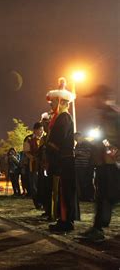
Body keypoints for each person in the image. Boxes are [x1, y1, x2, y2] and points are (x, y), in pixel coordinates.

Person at [79, 85, 119, 241]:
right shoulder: (106, 115)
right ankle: (97, 227)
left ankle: (98, 229)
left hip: (111, 164)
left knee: (108, 196)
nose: (93, 101)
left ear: (103, 97)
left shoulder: (113, 115)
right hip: (104, 164)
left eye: (95, 97)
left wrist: (111, 153)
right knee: (102, 195)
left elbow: (110, 140)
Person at [45, 84, 80, 233]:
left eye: (53, 101)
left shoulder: (64, 117)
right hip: (61, 160)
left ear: (62, 102)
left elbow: (56, 141)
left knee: (65, 192)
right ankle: (63, 219)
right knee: (61, 191)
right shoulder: (59, 117)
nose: (51, 104)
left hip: (64, 160)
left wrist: (49, 152)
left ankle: (67, 222)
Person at [23, 122, 45, 209]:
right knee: (34, 185)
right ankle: (37, 203)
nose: (42, 132)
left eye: (42, 130)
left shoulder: (44, 139)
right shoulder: (28, 139)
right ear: (35, 130)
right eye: (40, 130)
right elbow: (26, 152)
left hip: (43, 165)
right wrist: (34, 158)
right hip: (33, 165)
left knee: (43, 184)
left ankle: (43, 202)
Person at [73, 132, 95, 202]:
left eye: (77, 137)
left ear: (81, 136)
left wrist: (78, 153)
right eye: (75, 138)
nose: (76, 139)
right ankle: (83, 197)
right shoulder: (77, 145)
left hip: (85, 166)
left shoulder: (87, 143)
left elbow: (88, 154)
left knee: (87, 182)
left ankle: (89, 197)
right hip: (79, 166)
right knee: (81, 182)